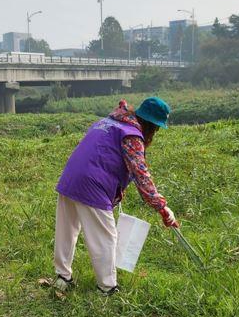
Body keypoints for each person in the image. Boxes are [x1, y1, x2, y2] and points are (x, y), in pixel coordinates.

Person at [53, 97, 179, 294]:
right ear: (151, 125)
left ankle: (63, 278)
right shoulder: (132, 136)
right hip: (92, 184)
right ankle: (107, 288)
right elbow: (141, 175)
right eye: (156, 129)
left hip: (69, 178)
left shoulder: (107, 122)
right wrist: (162, 207)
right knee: (106, 237)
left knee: (66, 231)